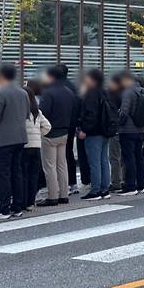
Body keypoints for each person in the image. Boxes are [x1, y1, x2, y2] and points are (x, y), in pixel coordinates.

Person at [0, 64, 30, 220]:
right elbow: (26, 114)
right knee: (16, 172)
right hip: (20, 137)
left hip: (4, 139)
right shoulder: (22, 92)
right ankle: (17, 206)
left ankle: (3, 209)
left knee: (3, 174)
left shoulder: (1, 92)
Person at [38, 66, 75, 206]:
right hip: (64, 131)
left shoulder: (48, 93)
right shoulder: (68, 91)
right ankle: (64, 195)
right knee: (62, 164)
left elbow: (43, 113)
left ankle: (53, 196)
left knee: (49, 166)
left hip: (50, 133)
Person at [77, 69, 113, 200]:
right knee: (104, 160)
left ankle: (95, 190)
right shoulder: (105, 92)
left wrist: (84, 129)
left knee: (94, 162)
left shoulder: (91, 94)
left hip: (94, 132)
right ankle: (105, 189)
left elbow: (91, 115)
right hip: (105, 131)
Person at [54, 64, 86, 196]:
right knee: (69, 154)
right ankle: (72, 183)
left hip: (56, 126)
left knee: (57, 157)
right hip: (71, 124)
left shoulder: (54, 88)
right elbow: (78, 106)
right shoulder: (73, 87)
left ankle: (61, 185)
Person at [118, 72, 144, 196]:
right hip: (140, 130)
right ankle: (141, 185)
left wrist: (118, 123)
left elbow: (124, 112)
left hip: (128, 130)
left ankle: (130, 186)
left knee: (128, 158)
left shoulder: (128, 92)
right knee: (139, 157)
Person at [22, 86, 51, 210]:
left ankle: (23, 200)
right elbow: (48, 126)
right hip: (36, 147)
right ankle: (30, 202)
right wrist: (38, 134)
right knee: (33, 175)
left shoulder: (21, 111)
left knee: (24, 175)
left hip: (24, 146)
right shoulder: (37, 111)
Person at [105, 75, 123, 192]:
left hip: (115, 129)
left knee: (114, 157)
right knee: (123, 157)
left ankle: (116, 182)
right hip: (125, 129)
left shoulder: (112, 96)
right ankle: (123, 179)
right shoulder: (124, 94)